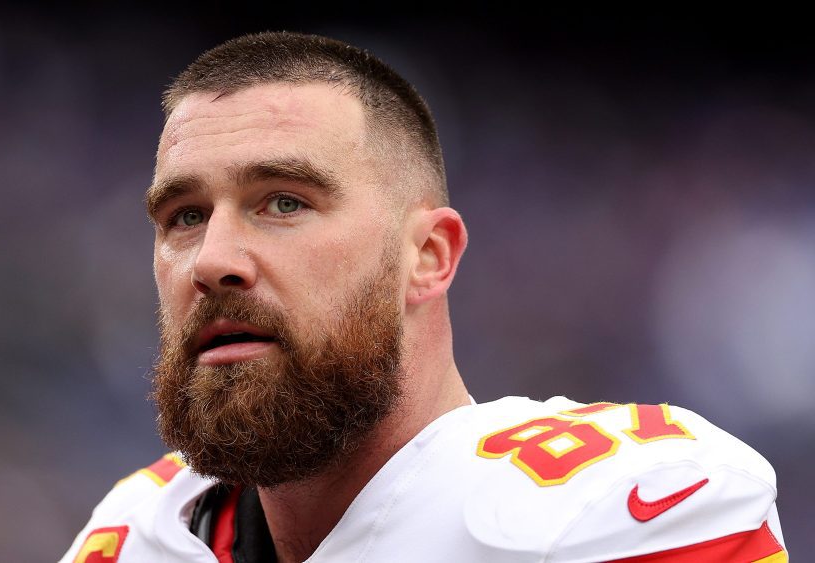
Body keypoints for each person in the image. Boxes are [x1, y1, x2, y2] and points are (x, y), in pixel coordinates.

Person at [60, 32, 787, 562]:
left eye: (282, 202)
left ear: (428, 257)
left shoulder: (622, 507)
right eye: (184, 216)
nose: (212, 260)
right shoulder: (130, 532)